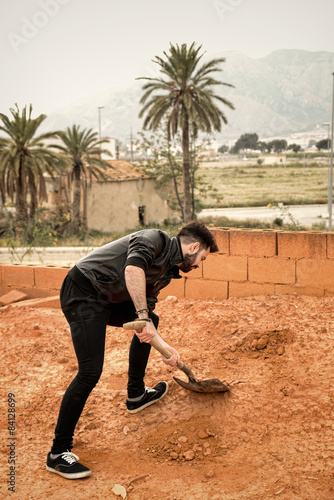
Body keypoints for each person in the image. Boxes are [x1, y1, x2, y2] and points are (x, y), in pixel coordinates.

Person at [46, 220, 218, 479]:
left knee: (152, 320)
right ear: (194, 246)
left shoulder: (167, 272)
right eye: (201, 258)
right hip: (83, 291)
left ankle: (136, 395)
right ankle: (58, 453)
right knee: (90, 371)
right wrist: (142, 316)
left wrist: (165, 346)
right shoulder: (154, 239)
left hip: (106, 299)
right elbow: (133, 270)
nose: (197, 265)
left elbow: (145, 314)